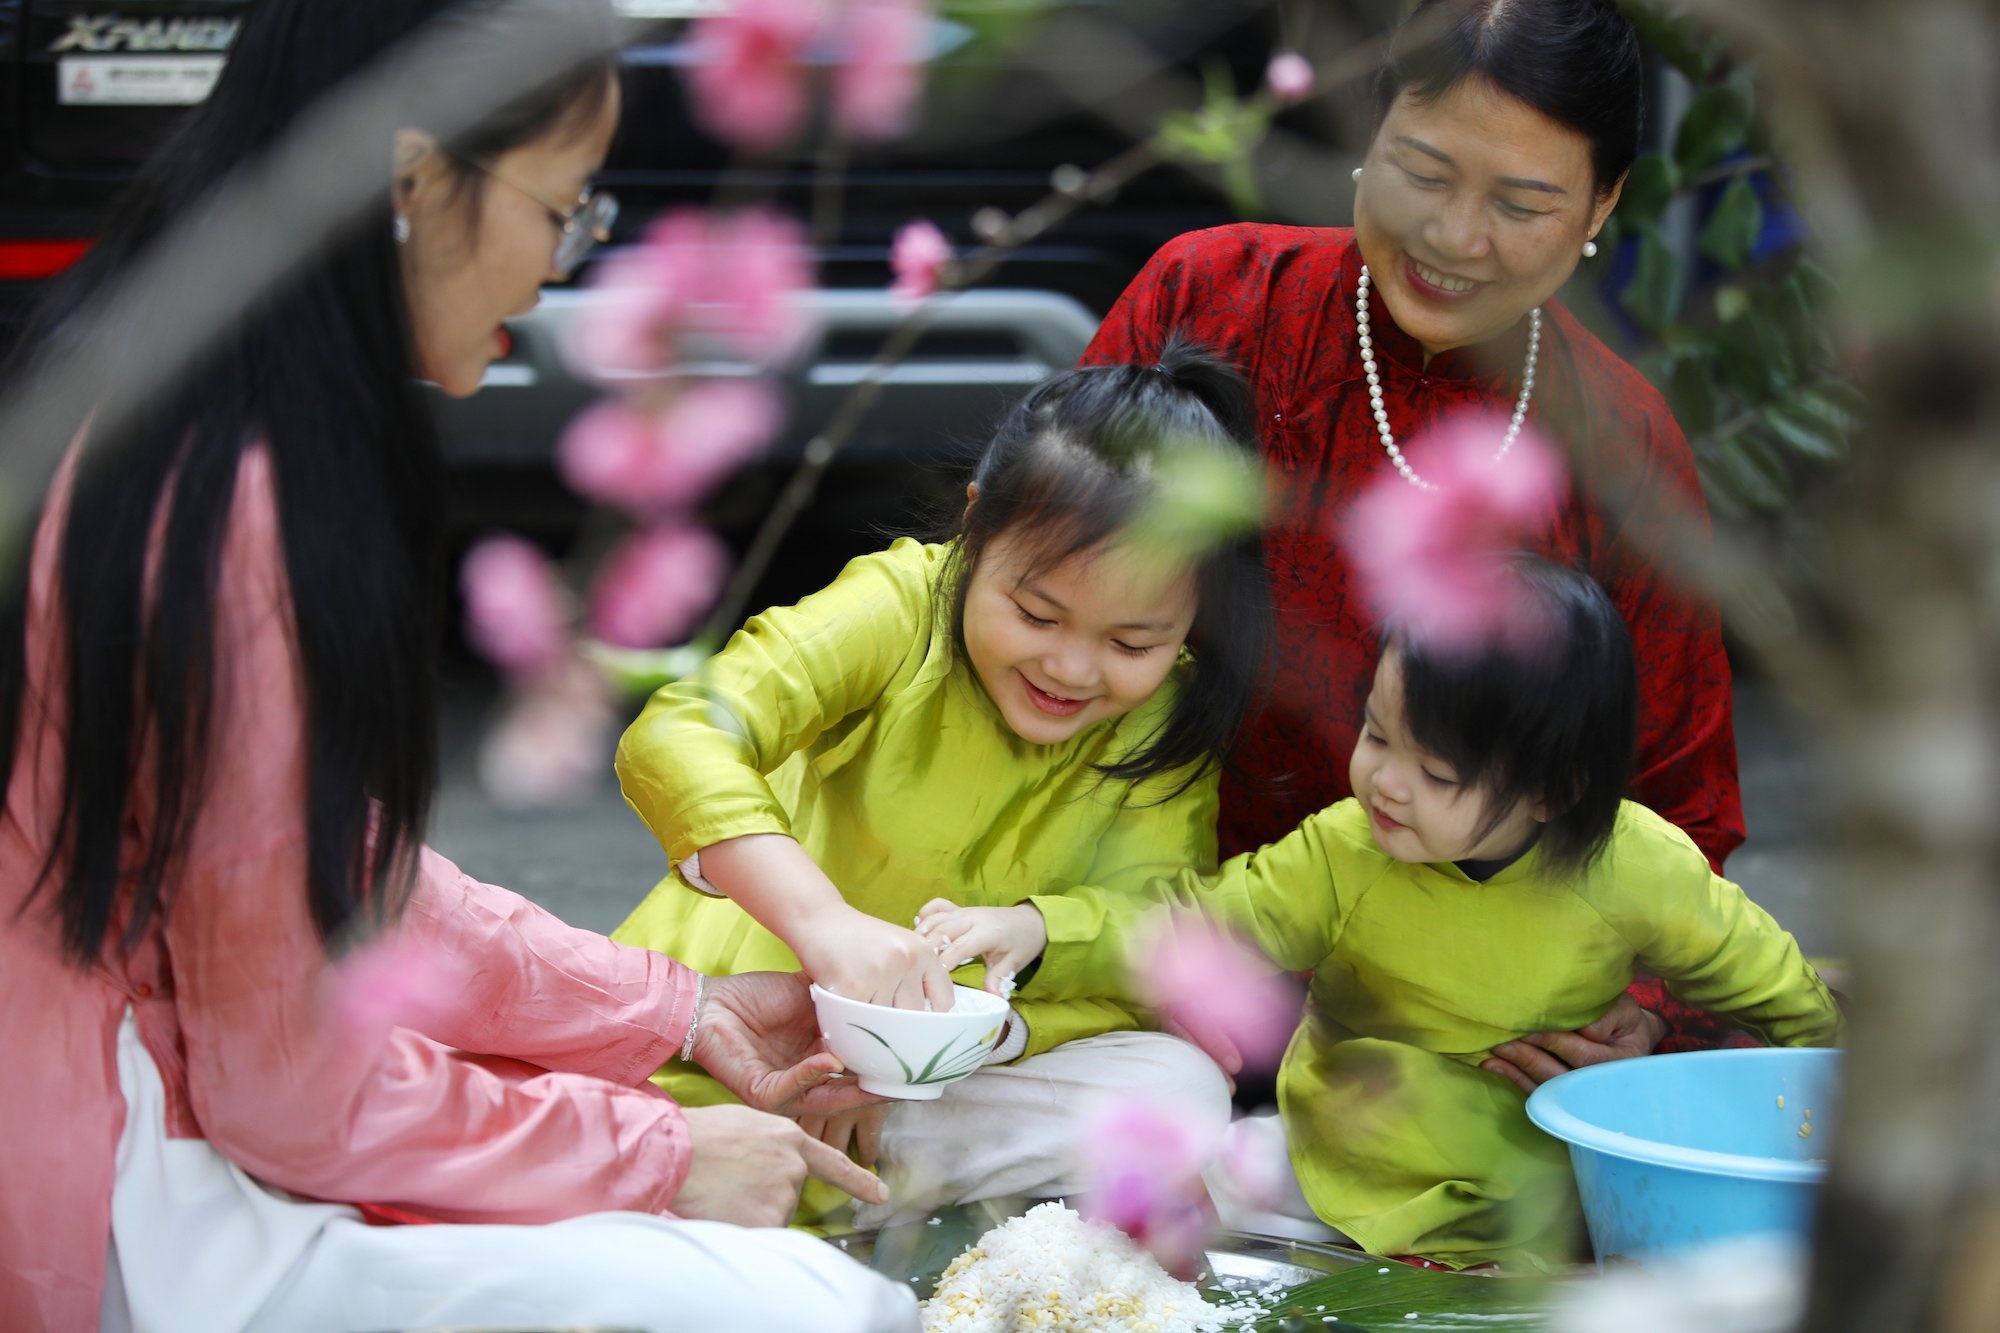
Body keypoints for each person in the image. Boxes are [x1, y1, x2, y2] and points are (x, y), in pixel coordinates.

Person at [0, 1, 919, 1329]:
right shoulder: (226, 507)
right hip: (121, 1191)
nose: (563, 265)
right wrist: (660, 1155)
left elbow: (317, 878)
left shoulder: (170, 412)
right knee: (814, 1306)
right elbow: (290, 1088)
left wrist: (671, 1007)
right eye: (564, 209)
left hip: (130, 1097)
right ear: (414, 182)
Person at [1080, 0, 1744, 1081]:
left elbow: (1677, 801)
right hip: (1131, 958)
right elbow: (1025, 576)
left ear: (1602, 202)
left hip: (1451, 1027)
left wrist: (1634, 1004)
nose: (1452, 237)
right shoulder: (1211, 299)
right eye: (1423, 174)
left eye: (1520, 202)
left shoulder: (1618, 445)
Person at [938, 555, 1843, 1270]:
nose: (1385, 782)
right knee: (1160, 1178)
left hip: (1533, 1201)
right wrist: (1042, 930)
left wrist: (1849, 1096)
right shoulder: (1345, 850)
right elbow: (1196, 932)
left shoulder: (1639, 866)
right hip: (1328, 1171)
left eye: (1437, 773)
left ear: (1554, 792)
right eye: (1376, 734)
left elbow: (1772, 984)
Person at [610, 337, 1268, 1224]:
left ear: (1193, 617)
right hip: (736, 1037)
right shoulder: (902, 606)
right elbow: (680, 732)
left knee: (1181, 1086)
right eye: (1036, 612)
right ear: (974, 526)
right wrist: (823, 921)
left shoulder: (1169, 716)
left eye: (1132, 643)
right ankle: (728, 1162)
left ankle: (821, 1179)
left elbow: (1150, 929)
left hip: (933, 1081)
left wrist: (1015, 962)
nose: (1071, 668)